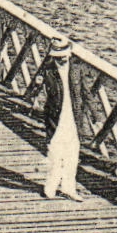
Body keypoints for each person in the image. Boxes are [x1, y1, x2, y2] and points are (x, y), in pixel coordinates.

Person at [40, 36, 83, 200]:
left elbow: (86, 93)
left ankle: (69, 188)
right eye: (58, 57)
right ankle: (50, 187)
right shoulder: (48, 70)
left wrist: (96, 118)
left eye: (64, 56)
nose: (62, 60)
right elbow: (38, 89)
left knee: (72, 155)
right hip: (55, 118)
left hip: (73, 118)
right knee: (55, 154)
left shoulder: (77, 69)